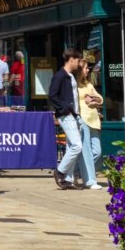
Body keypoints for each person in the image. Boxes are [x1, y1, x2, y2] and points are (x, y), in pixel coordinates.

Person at [49, 51, 86, 191]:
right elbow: (52, 95)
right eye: (77, 60)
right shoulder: (60, 76)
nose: (79, 63)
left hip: (74, 115)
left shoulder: (70, 76)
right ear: (71, 60)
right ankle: (60, 172)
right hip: (66, 115)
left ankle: (68, 179)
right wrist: (65, 109)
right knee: (77, 145)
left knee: (71, 146)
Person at [77, 49, 105, 189]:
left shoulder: (88, 85)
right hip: (83, 119)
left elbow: (101, 99)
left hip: (94, 120)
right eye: (86, 68)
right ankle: (90, 180)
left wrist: (93, 98)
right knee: (86, 150)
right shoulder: (75, 86)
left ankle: (77, 171)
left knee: (97, 151)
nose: (88, 70)